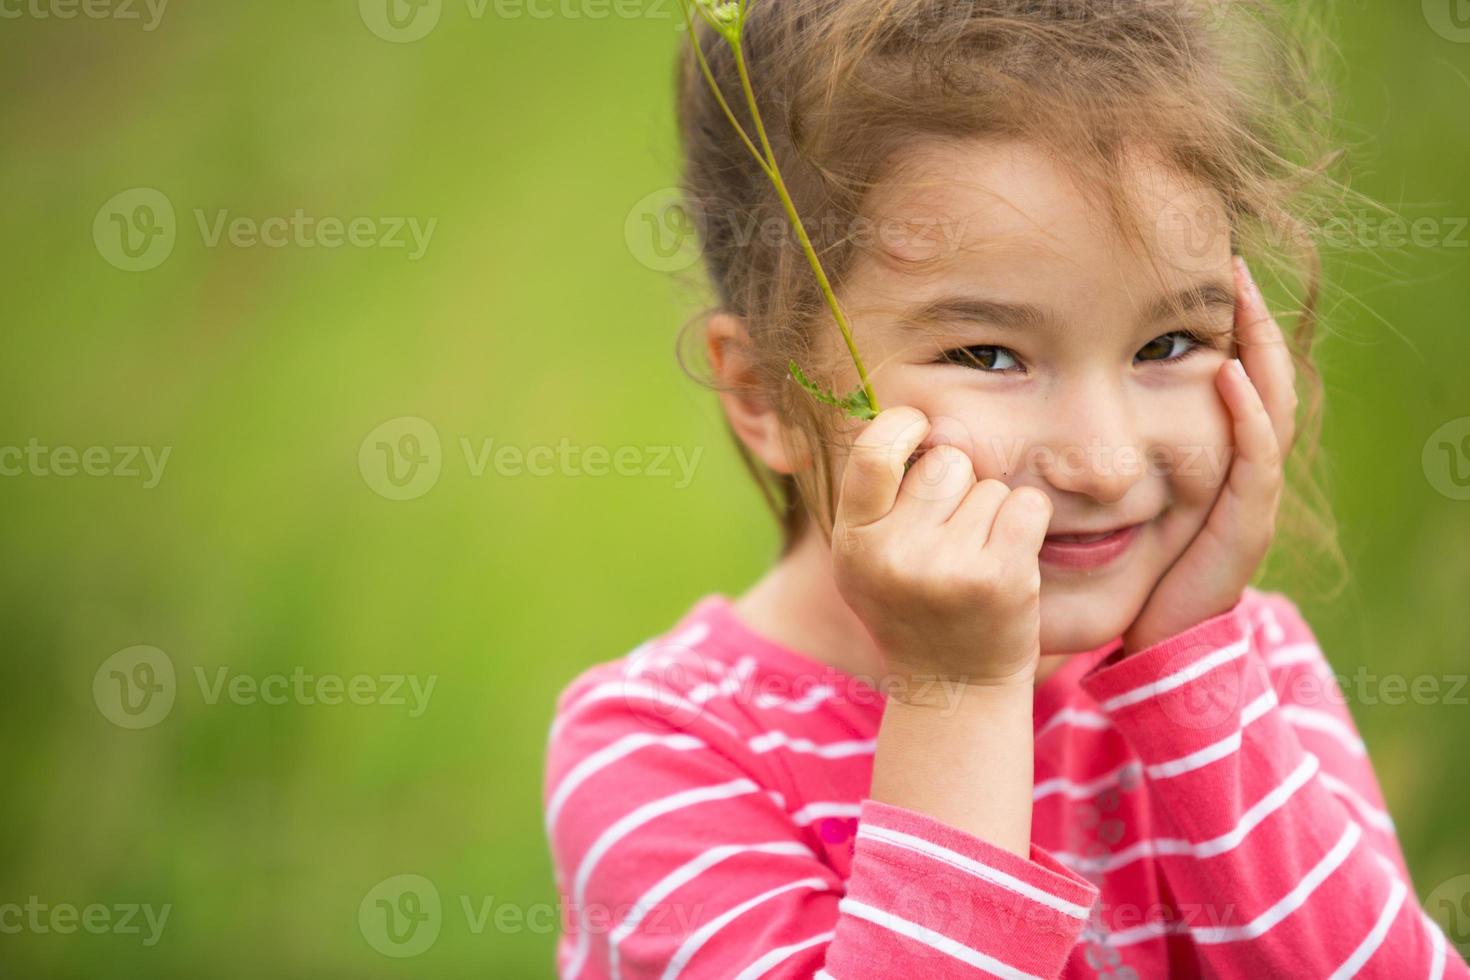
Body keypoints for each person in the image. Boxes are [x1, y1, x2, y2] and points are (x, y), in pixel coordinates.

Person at [544, 0, 1468, 975]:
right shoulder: (664, 746)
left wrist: (1194, 668)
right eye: (988, 353)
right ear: (766, 392)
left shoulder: (1248, 671)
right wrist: (956, 690)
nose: (1105, 460)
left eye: (1168, 343)